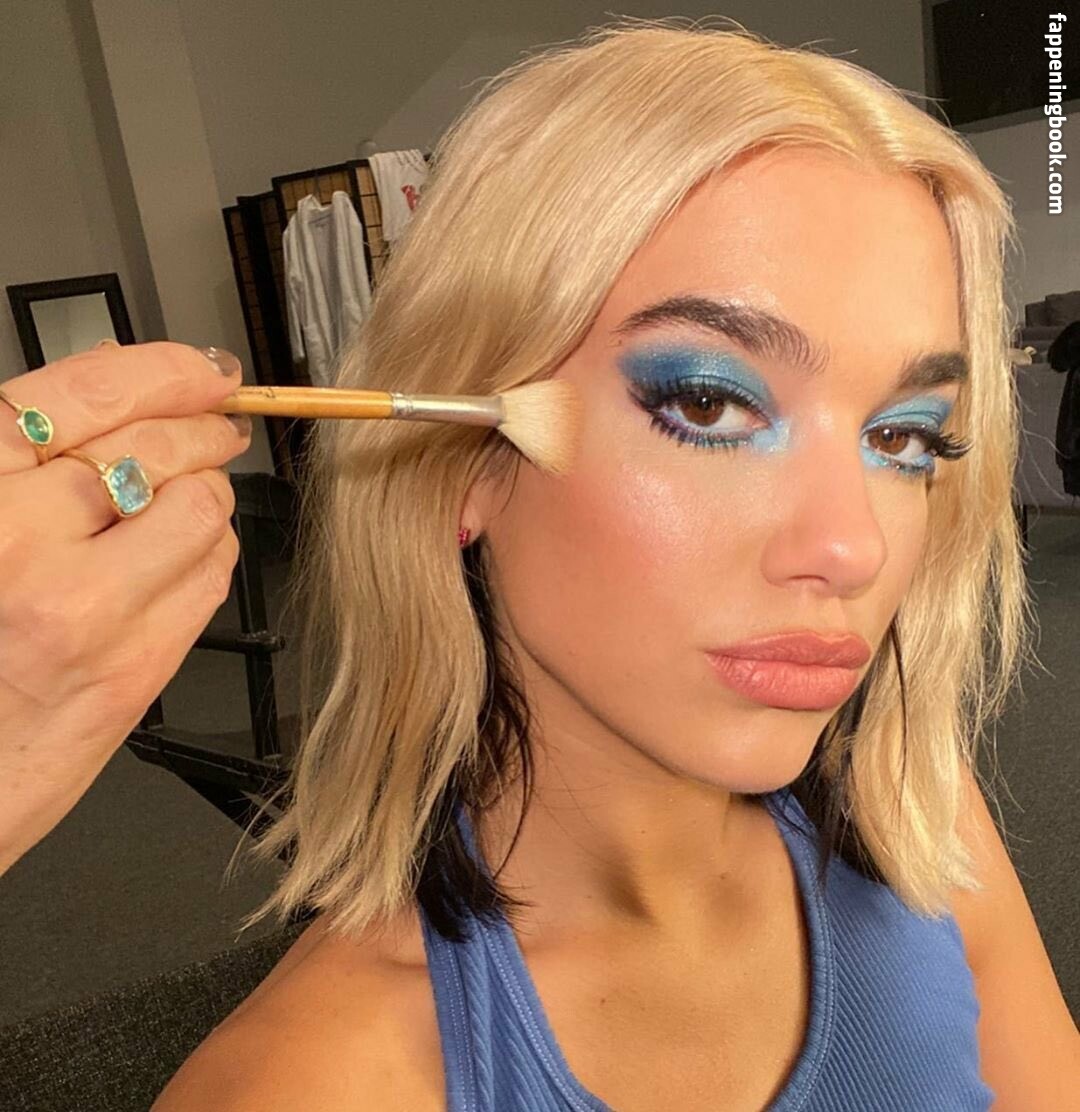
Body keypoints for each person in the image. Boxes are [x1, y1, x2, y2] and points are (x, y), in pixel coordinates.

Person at [2, 17, 1076, 1111]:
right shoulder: (315, 1083)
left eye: (904, 436)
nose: (853, 547)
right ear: (464, 461)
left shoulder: (921, 818)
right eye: (710, 404)